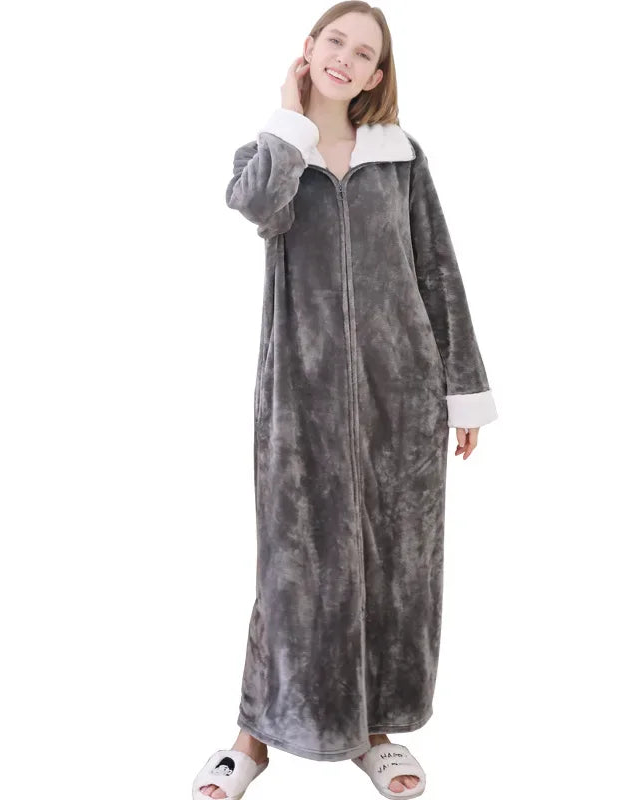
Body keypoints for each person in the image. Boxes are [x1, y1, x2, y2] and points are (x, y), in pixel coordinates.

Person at [192, 3, 498, 798]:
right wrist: (290, 120)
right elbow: (256, 207)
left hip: (403, 399)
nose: (346, 59)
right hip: (302, 402)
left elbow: (437, 269)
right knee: (292, 570)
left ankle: (375, 732)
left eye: (364, 53)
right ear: (310, 48)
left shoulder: (400, 157)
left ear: (376, 74)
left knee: (393, 565)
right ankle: (253, 735)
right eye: (336, 41)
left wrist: (461, 389)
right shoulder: (272, 153)